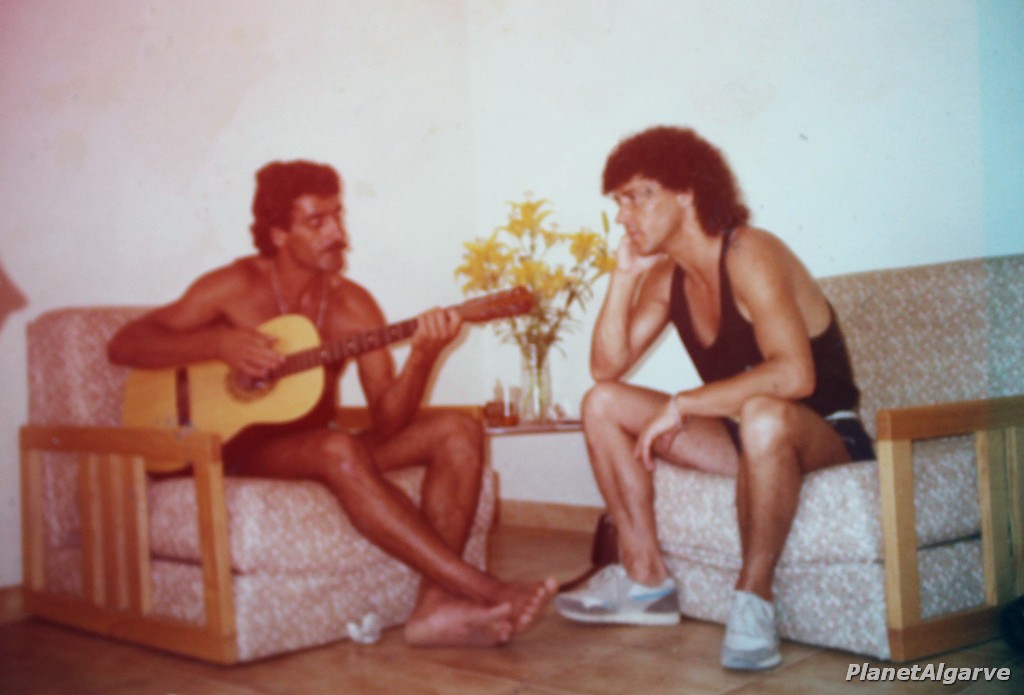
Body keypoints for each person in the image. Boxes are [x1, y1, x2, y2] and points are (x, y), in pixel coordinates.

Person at [108, 160, 557, 647]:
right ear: (278, 235)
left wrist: (422, 358)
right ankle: (484, 589)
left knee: (457, 429)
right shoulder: (234, 286)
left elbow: (388, 420)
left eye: (338, 216)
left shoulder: (352, 306)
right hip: (232, 451)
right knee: (335, 448)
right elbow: (126, 344)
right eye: (316, 222)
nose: (337, 233)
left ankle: (433, 607)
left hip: (308, 443)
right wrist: (218, 344)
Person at [555, 127, 873, 670]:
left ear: (687, 192)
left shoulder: (749, 251)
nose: (623, 216)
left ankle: (753, 600)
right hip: (746, 436)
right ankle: (645, 579)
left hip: (822, 433)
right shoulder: (667, 277)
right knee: (601, 402)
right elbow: (606, 369)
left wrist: (682, 404)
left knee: (764, 413)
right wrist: (622, 278)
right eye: (618, 202)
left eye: (637, 196)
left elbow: (794, 376)